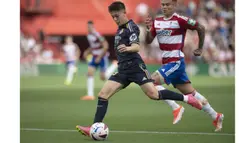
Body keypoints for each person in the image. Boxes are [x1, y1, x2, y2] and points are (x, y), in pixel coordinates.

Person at [76, 1, 203, 137]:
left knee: (153, 94)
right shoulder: (119, 29)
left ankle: (187, 99)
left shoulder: (132, 27)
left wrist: (127, 48)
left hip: (136, 67)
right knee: (102, 95)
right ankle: (94, 127)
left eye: (117, 16)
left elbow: (137, 46)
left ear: (124, 12)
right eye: (113, 17)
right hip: (123, 70)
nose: (115, 19)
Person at [145, 0, 224, 132]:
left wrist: (200, 48)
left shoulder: (180, 20)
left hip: (176, 61)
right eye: (163, 4)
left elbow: (201, 27)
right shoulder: (157, 21)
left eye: (168, 4)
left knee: (151, 83)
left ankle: (176, 107)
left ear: (174, 5)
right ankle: (216, 116)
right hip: (167, 62)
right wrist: (148, 29)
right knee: (192, 93)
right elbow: (148, 41)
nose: (165, 7)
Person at [80, 20, 118, 101]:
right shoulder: (88, 35)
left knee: (103, 77)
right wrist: (87, 51)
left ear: (93, 27)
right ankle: (90, 95)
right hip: (94, 56)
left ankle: (114, 65)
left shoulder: (97, 35)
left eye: (90, 27)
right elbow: (93, 46)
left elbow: (106, 46)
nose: (88, 28)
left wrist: (99, 57)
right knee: (90, 73)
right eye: (87, 27)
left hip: (102, 56)